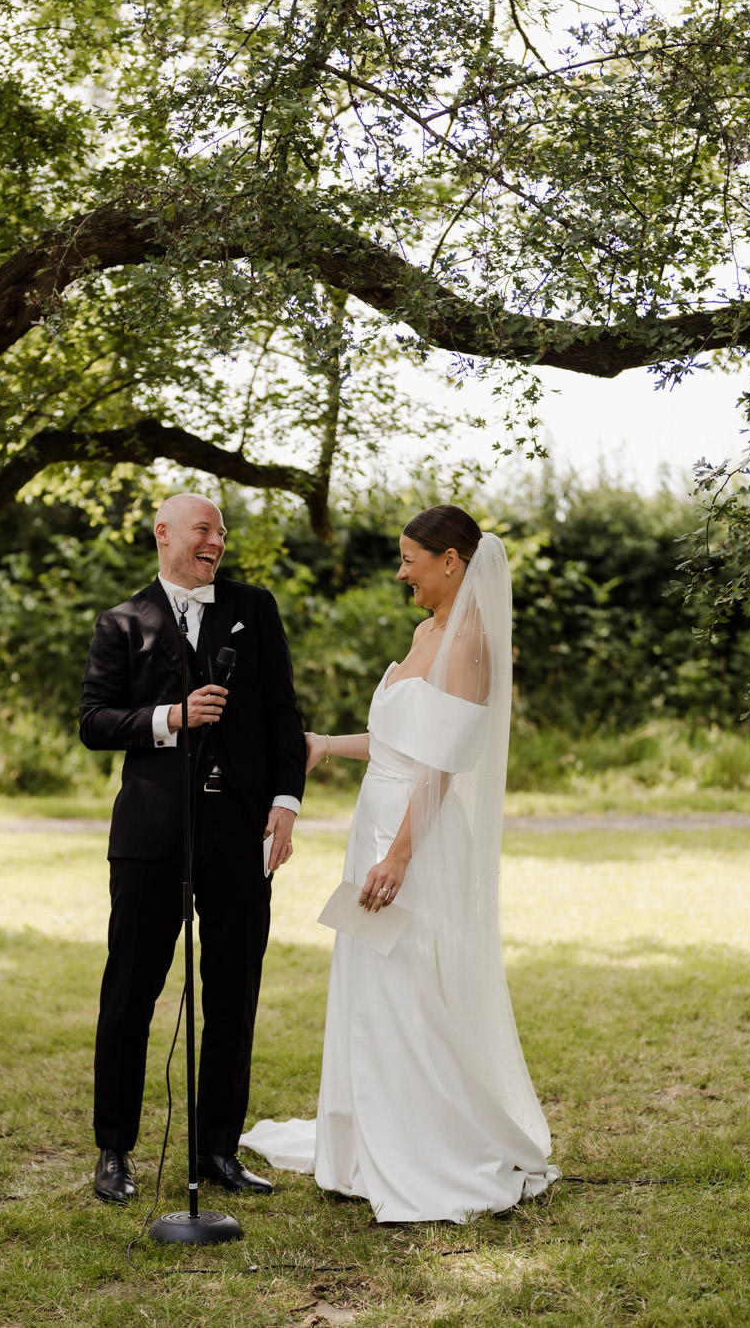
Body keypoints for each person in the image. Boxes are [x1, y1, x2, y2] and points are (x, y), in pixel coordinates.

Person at [242, 505, 559, 1223]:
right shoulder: (425, 632)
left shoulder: (475, 641)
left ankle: (427, 1142)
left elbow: (445, 763)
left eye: (410, 557)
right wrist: (328, 744)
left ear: (452, 561)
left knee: (412, 983)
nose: (400, 571)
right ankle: (368, 1135)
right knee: (372, 983)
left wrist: (402, 852)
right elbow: (400, 740)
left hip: (417, 836)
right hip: (377, 821)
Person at [79, 492, 307, 1203]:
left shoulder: (255, 607)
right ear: (165, 534)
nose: (217, 540)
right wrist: (171, 718)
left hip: (239, 829)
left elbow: (282, 713)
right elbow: (94, 720)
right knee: (131, 989)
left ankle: (217, 1151)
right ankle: (115, 1150)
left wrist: (285, 802)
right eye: (205, 529)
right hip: (151, 832)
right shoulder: (121, 622)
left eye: (222, 530)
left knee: (233, 992)